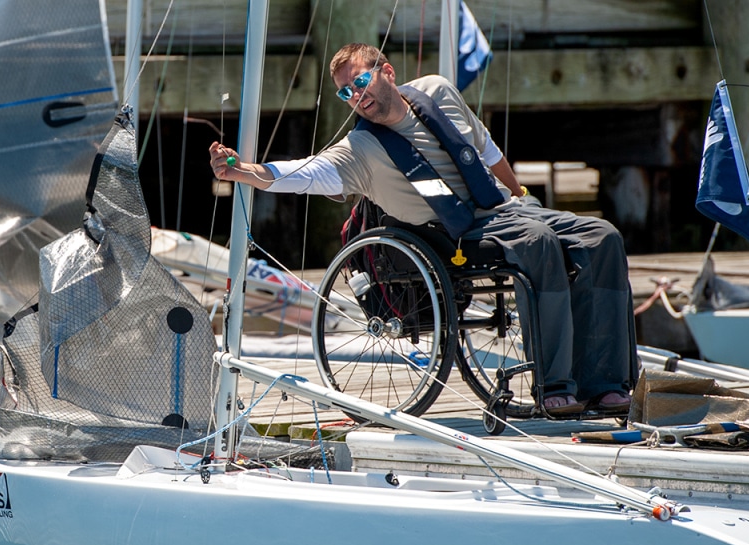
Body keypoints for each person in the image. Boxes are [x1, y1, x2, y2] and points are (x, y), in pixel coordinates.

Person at [209, 42, 636, 415]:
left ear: (387, 72)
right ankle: (556, 386)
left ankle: (608, 383)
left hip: (504, 211)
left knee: (603, 236)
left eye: (360, 82)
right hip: (452, 233)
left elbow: (486, 150)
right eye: (345, 92)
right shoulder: (361, 148)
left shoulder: (437, 90)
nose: (355, 96)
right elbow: (303, 173)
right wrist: (245, 171)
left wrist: (519, 194)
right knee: (538, 242)